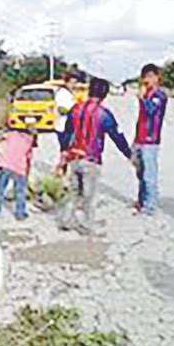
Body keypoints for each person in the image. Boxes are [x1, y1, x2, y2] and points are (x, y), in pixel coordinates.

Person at [58, 77, 133, 234]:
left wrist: (64, 152)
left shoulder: (75, 109)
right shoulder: (104, 114)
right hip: (91, 159)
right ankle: (86, 226)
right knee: (88, 196)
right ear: (104, 94)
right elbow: (117, 136)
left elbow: (67, 133)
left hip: (74, 157)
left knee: (73, 192)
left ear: (89, 90)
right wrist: (128, 154)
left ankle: (66, 221)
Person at [132, 63, 168, 216]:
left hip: (150, 140)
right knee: (140, 173)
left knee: (149, 175)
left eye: (151, 76)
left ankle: (150, 206)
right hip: (139, 139)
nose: (147, 80)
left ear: (158, 78)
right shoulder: (146, 94)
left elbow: (151, 111)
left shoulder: (159, 95)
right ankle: (141, 201)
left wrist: (142, 99)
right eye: (145, 76)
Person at [0, 128, 38, 222]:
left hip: (6, 165)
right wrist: (27, 173)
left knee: (0, 190)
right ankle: (20, 213)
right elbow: (28, 158)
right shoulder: (29, 140)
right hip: (19, 168)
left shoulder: (11, 134)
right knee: (20, 191)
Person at [54, 73, 77, 144]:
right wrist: (73, 111)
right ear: (66, 83)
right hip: (63, 126)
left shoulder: (70, 93)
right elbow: (61, 109)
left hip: (70, 126)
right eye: (71, 83)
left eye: (75, 83)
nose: (73, 85)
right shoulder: (62, 94)